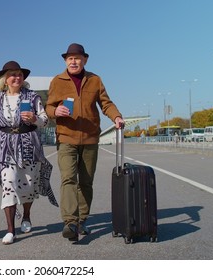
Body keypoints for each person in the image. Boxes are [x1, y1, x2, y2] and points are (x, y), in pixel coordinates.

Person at [0, 61, 58, 245]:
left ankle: (26, 215)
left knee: (28, 185)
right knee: (8, 183)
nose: (16, 77)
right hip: (5, 147)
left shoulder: (32, 97)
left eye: (19, 74)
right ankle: (10, 230)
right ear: (5, 79)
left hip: (28, 145)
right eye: (12, 74)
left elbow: (44, 120)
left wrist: (35, 118)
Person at [45, 43, 125, 242]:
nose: (74, 61)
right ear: (65, 61)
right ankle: (70, 222)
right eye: (70, 58)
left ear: (85, 60)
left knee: (86, 181)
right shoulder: (58, 81)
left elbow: (106, 103)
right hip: (66, 137)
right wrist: (56, 111)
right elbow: (48, 106)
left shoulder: (94, 80)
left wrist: (116, 117)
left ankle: (82, 220)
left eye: (77, 58)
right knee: (68, 179)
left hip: (90, 138)